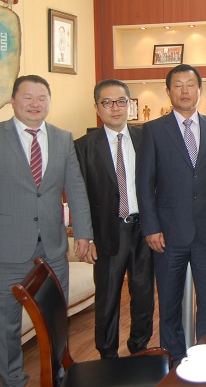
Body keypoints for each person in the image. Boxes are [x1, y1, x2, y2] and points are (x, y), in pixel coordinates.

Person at [0, 75, 93, 387]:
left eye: (42, 98)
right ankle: (12, 380)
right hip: (5, 249)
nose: (35, 104)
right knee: (6, 321)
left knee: (54, 316)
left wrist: (84, 233)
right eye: (27, 97)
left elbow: (76, 189)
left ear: (49, 102)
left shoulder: (62, 138)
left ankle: (56, 374)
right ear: (13, 101)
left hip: (53, 247)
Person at [137, 64, 206, 363]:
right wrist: (150, 227)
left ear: (200, 90)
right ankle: (174, 361)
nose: (185, 90)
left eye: (190, 84)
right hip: (167, 233)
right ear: (168, 91)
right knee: (170, 304)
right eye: (178, 85)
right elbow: (144, 183)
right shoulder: (153, 130)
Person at [74, 79, 154, 359]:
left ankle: (139, 347)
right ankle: (107, 355)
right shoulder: (82, 147)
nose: (115, 108)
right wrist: (85, 235)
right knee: (107, 297)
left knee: (144, 292)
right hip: (107, 232)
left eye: (121, 101)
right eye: (106, 102)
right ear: (96, 107)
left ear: (129, 104)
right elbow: (79, 195)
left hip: (144, 229)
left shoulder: (146, 139)